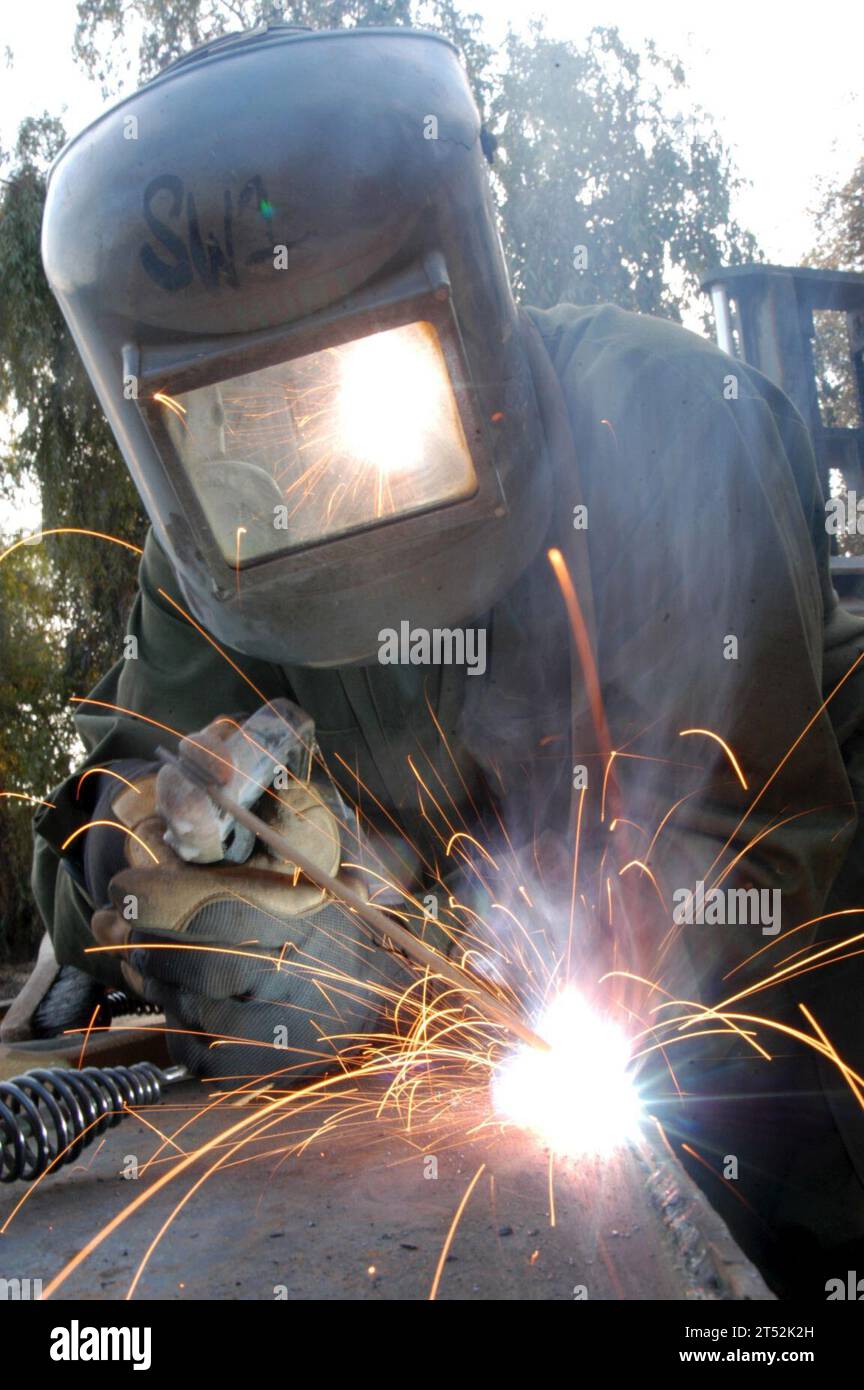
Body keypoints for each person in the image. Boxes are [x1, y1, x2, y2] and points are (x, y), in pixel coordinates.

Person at [7, 20, 864, 1294]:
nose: (306, 453)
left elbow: (784, 867)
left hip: (788, 1092)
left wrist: (558, 953)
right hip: (465, 1145)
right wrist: (143, 866)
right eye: (252, 416)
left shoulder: (673, 425)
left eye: (342, 387)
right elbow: (94, 879)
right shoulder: (205, 548)